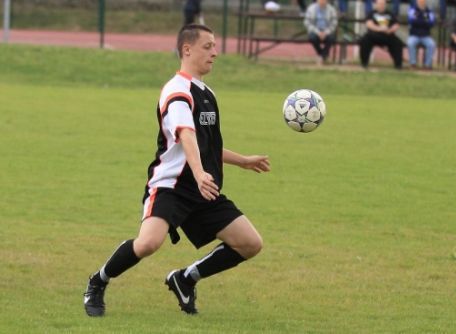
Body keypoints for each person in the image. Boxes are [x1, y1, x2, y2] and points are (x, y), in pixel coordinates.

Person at [83, 24, 271, 317]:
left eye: (215, 46)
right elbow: (186, 135)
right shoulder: (176, 90)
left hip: (201, 185)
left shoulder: (206, 92)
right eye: (208, 46)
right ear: (187, 49)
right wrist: (198, 173)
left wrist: (243, 160)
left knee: (250, 243)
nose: (215, 53)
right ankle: (98, 281)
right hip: (171, 185)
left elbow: (205, 146)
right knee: (147, 243)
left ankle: (185, 278)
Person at [359, 0, 404, 69]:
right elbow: (368, 24)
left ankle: (398, 66)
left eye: (383, 4)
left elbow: (396, 24)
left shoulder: (390, 14)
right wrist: (379, 29)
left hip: (388, 35)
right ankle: (364, 64)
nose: (381, 6)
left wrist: (390, 30)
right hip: (373, 35)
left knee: (398, 43)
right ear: (376, 5)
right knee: (364, 40)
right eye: (380, 4)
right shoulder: (372, 13)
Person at [304, 0, 338, 65]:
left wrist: (326, 32)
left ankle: (321, 56)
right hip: (315, 31)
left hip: (327, 31)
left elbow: (334, 23)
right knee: (312, 37)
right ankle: (322, 54)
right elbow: (307, 22)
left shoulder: (331, 9)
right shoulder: (311, 9)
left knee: (331, 38)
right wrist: (318, 32)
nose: (322, 1)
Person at [407, 0, 436, 69]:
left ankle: (427, 64)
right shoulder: (412, 10)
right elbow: (411, 21)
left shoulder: (429, 11)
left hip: (426, 36)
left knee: (431, 44)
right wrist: (424, 22)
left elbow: (431, 23)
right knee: (410, 43)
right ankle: (413, 63)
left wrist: (419, 21)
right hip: (414, 35)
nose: (421, 2)